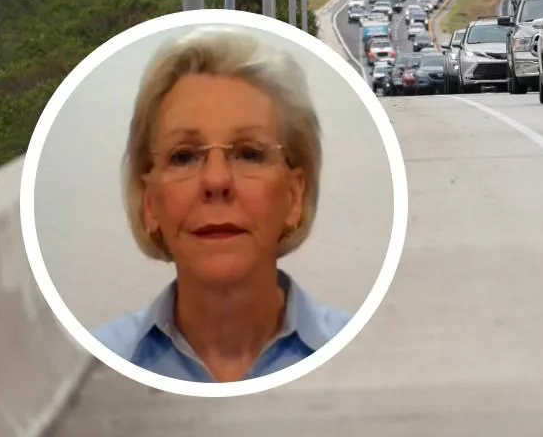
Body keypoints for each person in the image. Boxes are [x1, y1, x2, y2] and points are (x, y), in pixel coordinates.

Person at [93, 27, 351, 382]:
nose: (216, 181)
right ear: (150, 201)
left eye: (249, 154)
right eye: (184, 157)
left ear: (294, 196)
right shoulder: (85, 372)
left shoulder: (366, 354)